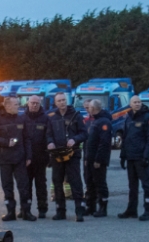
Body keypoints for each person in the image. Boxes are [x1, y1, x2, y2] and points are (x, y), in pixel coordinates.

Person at [0, 96, 35, 221]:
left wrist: (29, 156)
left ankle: (26, 211)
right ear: (7, 106)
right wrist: (5, 142)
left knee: (24, 187)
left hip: (20, 158)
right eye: (15, 104)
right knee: (7, 187)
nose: (18, 106)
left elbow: (27, 139)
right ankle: (10, 212)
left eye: (18, 104)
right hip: (5, 159)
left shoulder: (22, 119)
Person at [46, 91, 87, 222]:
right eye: (59, 101)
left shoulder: (76, 116)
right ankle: (60, 211)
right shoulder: (52, 117)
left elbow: (84, 133)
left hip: (72, 154)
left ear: (67, 101)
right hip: (57, 155)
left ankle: (79, 211)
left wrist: (75, 140)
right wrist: (50, 142)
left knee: (75, 182)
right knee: (57, 182)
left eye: (63, 100)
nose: (62, 102)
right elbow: (48, 134)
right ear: (55, 103)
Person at [118, 95, 149, 220]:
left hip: (141, 158)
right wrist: (123, 156)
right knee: (132, 186)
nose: (137, 104)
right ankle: (131, 209)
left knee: (146, 184)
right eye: (135, 102)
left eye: (139, 102)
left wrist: (146, 156)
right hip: (130, 157)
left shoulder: (148, 118)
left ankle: (148, 211)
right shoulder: (128, 118)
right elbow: (125, 138)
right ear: (130, 105)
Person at [22, 95, 51, 218]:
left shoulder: (45, 119)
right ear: (28, 103)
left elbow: (48, 136)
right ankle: (25, 209)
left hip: (40, 157)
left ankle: (42, 209)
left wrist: (48, 155)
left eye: (37, 103)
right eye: (32, 103)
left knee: (41, 185)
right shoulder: (22, 118)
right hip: (25, 158)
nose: (34, 105)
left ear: (40, 104)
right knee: (25, 186)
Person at [84, 99, 112, 217]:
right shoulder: (94, 121)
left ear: (93, 108)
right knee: (89, 182)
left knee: (100, 183)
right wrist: (86, 157)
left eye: (89, 107)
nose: (87, 109)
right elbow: (88, 142)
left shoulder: (104, 122)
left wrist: (98, 160)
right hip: (89, 159)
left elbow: (104, 143)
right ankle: (91, 207)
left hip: (98, 160)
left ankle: (103, 207)